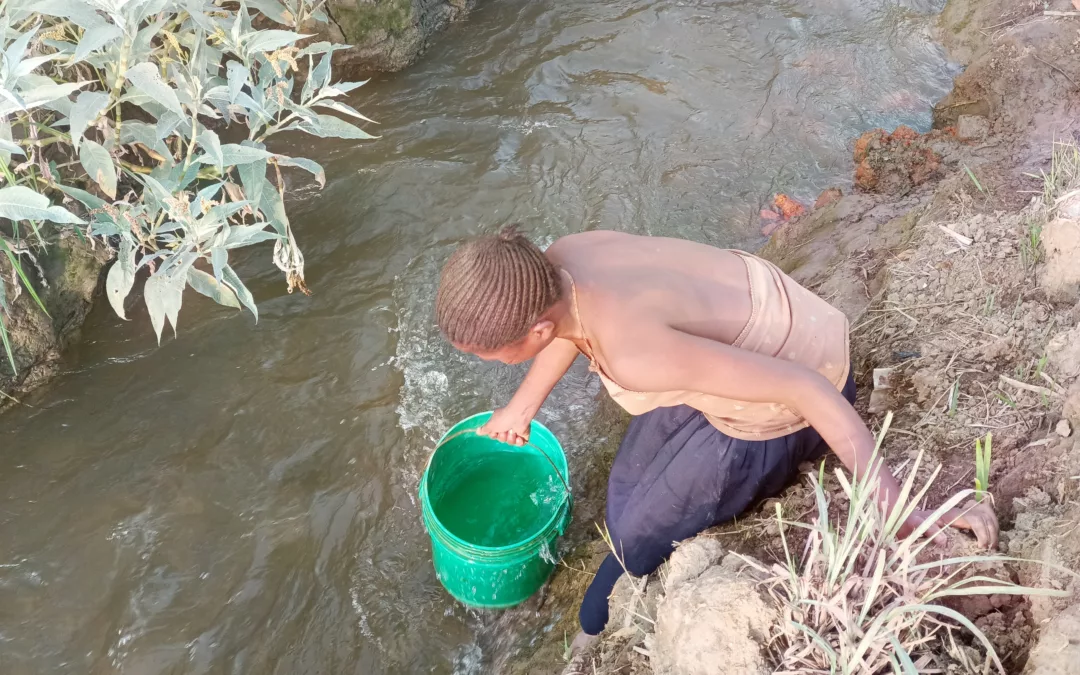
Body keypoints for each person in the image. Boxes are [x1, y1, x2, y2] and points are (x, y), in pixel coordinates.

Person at [434, 226, 998, 646]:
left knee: (631, 536)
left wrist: (897, 504)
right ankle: (611, 579)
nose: (494, 362)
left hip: (791, 396)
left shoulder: (636, 355)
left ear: (536, 329)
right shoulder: (562, 260)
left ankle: (590, 631)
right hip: (773, 324)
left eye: (492, 355)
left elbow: (806, 389)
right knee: (626, 489)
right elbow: (566, 325)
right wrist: (522, 406)